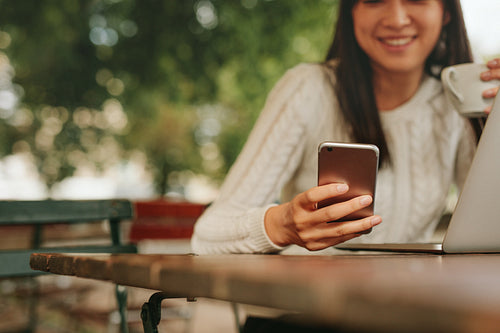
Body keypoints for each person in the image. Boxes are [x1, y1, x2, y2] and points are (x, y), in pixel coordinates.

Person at [191, 0, 500, 255]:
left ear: (446, 11)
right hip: (300, 318)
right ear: (350, 12)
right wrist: (281, 225)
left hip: (406, 312)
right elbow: (207, 237)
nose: (396, 18)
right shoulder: (308, 90)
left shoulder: (456, 103)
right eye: (374, 0)